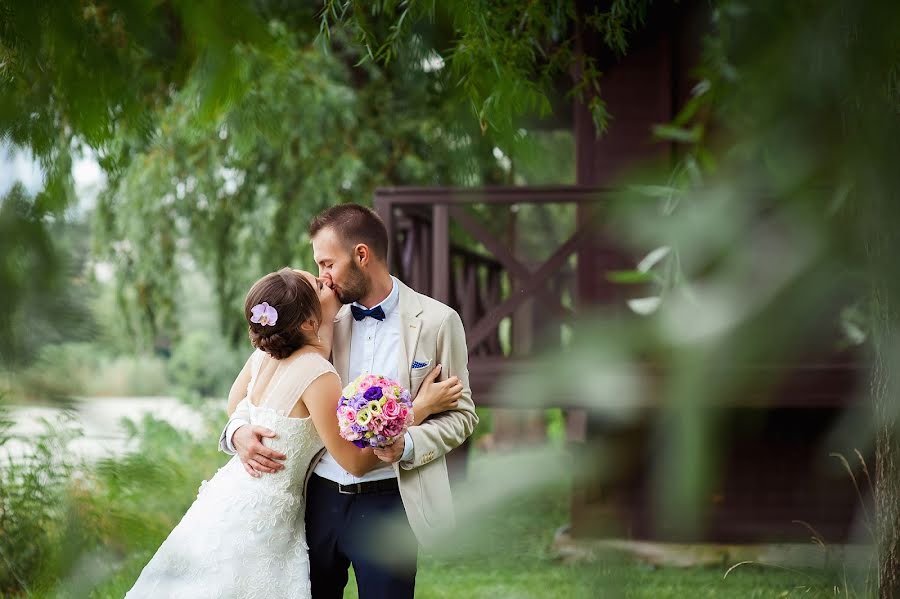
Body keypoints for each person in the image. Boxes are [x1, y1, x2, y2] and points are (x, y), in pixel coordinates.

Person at [125, 267, 459, 598]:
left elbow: (233, 402)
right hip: (268, 518)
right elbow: (355, 463)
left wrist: (239, 428)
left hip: (231, 500)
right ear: (306, 322)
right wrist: (418, 410)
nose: (326, 280)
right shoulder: (318, 374)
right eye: (318, 283)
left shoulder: (266, 354)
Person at [226, 204, 478, 599]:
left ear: (361, 255)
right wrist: (237, 431)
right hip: (315, 500)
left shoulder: (437, 322)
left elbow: (463, 416)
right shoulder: (313, 317)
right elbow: (259, 386)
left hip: (392, 503)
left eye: (327, 263)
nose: (321, 277)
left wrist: (407, 443)